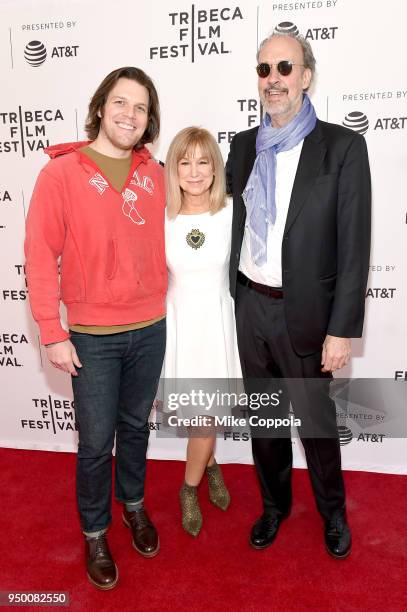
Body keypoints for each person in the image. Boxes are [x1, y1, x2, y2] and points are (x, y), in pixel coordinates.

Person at [226, 30, 371, 558]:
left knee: (315, 423)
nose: (273, 80)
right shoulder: (242, 147)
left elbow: (354, 247)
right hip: (251, 305)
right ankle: (274, 507)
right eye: (264, 70)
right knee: (264, 421)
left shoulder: (343, 147)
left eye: (284, 68)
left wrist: (341, 329)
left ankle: (333, 512)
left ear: (306, 76)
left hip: (306, 313)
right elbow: (223, 221)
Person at [25, 67, 167, 589]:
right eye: (121, 103)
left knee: (135, 428)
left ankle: (133, 505)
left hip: (151, 327)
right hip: (91, 337)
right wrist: (51, 330)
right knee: (95, 442)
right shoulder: (61, 174)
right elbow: (40, 256)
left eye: (141, 107)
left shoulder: (155, 174)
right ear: (101, 108)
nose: (130, 115)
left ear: (149, 120)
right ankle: (95, 531)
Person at [163, 127, 241, 536]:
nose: (194, 172)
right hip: (178, 324)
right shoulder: (161, 217)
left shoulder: (232, 212)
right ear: (173, 168)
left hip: (216, 324)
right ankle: (210, 468)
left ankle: (188, 488)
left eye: (203, 161)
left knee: (205, 416)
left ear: (215, 167)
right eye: (184, 161)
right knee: (200, 416)